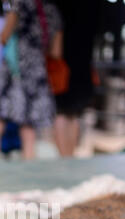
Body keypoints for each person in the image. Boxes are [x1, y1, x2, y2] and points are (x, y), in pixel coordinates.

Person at [0, 0, 63, 163]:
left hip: (13, 71)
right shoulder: (52, 9)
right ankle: (29, 180)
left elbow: (4, 37)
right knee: (29, 130)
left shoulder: (19, 3)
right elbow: (56, 52)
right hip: (36, 71)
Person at [53, 0, 102, 157]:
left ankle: (64, 158)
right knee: (73, 114)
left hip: (64, 69)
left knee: (61, 113)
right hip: (83, 68)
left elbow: (56, 50)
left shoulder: (60, 10)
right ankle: (70, 157)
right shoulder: (89, 9)